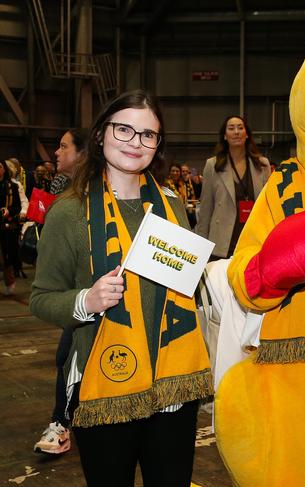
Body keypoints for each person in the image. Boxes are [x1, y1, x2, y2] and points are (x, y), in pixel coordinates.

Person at [30, 89, 212, 487]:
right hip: (104, 384)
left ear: (157, 144)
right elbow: (41, 297)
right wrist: (86, 301)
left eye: (148, 135)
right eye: (124, 129)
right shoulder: (70, 211)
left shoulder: (171, 205)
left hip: (173, 385)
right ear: (100, 135)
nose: (136, 142)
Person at [33, 128, 88, 455]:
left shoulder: (96, 191)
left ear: (81, 152)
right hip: (72, 291)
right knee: (67, 355)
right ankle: (63, 421)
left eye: (64, 146)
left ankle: (61, 422)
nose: (56, 152)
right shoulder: (62, 188)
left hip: (92, 289)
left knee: (68, 355)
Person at [196, 115, 271, 260]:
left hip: (253, 240)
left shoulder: (262, 165)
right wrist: (200, 247)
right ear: (225, 136)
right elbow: (206, 210)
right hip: (222, 242)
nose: (236, 132)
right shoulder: (212, 165)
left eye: (240, 128)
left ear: (247, 134)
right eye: (231, 128)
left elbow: (268, 206)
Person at [0, 159, 22, 295]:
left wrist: (9, 211)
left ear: (4, 169)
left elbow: (17, 207)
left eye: (0, 167)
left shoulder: (11, 186)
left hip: (6, 226)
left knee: (6, 256)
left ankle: (10, 282)